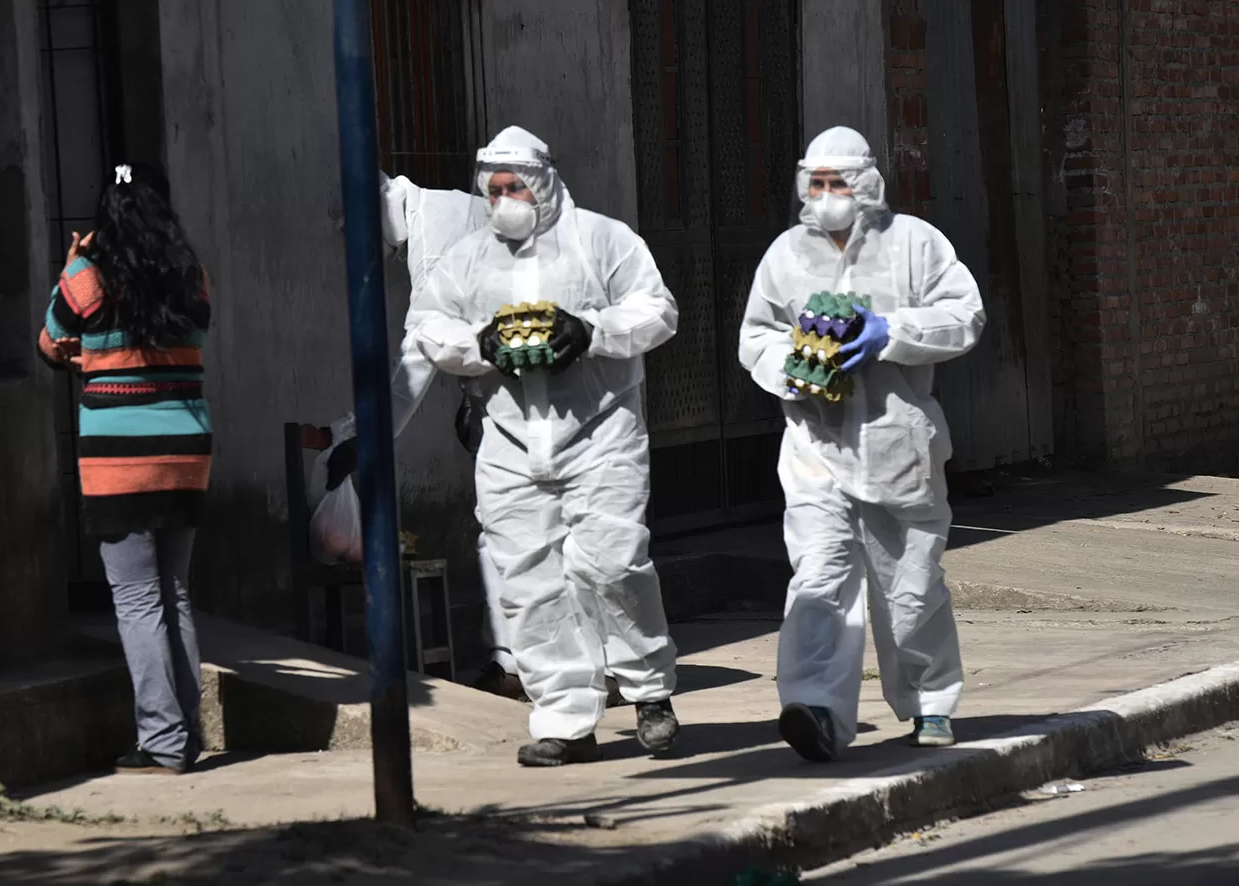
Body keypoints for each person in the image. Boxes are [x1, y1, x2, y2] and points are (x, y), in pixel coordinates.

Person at [407, 125, 681, 767]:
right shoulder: (469, 256)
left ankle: (648, 688)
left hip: (601, 435)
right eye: (493, 188)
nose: (505, 198)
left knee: (612, 566)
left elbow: (658, 310)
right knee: (530, 586)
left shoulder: (603, 239)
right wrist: (480, 347)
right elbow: (427, 322)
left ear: (545, 183)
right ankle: (565, 719)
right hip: (507, 442)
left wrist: (591, 332)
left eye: (516, 186)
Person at [327, 171, 629, 707]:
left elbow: (420, 355)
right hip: (520, 392)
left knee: (557, 529)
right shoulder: (431, 222)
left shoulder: (437, 230)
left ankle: (588, 663)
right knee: (506, 528)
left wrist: (368, 438)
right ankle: (521, 661)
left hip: (555, 393)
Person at [738, 126, 985, 762]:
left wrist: (892, 332)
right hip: (814, 446)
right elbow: (756, 335)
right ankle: (815, 708)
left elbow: (965, 315)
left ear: (866, 185)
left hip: (898, 446)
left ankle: (930, 702)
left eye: (837, 184)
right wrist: (787, 366)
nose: (826, 196)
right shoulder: (786, 254)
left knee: (910, 590)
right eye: (816, 184)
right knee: (817, 580)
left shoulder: (915, 244)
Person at [38, 162, 212, 775]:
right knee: (177, 594)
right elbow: (198, 327)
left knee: (137, 600)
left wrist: (70, 269)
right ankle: (188, 732)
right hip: (186, 451)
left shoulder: (86, 276)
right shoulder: (189, 275)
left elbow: (51, 341)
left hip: (119, 461)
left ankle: (163, 742)